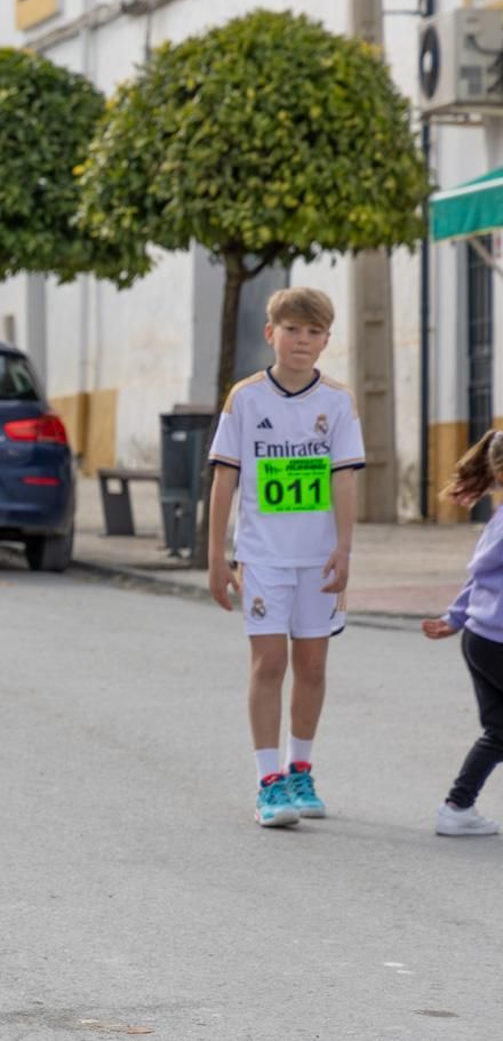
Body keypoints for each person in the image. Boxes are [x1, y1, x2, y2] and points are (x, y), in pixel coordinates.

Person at [206, 287, 365, 828]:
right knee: (269, 663)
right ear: (270, 333)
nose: (302, 340)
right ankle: (268, 780)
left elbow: (343, 480)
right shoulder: (246, 398)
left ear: (326, 341)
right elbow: (224, 479)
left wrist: (344, 548)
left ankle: (300, 769)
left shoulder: (337, 402)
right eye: (292, 329)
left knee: (313, 666)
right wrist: (216, 556)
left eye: (314, 332)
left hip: (318, 560)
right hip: (263, 557)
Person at [420, 432, 503, 837]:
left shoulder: (498, 521)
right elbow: (481, 572)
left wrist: (454, 618)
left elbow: (479, 577)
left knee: (500, 731)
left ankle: (457, 807)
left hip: (480, 639)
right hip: (497, 640)